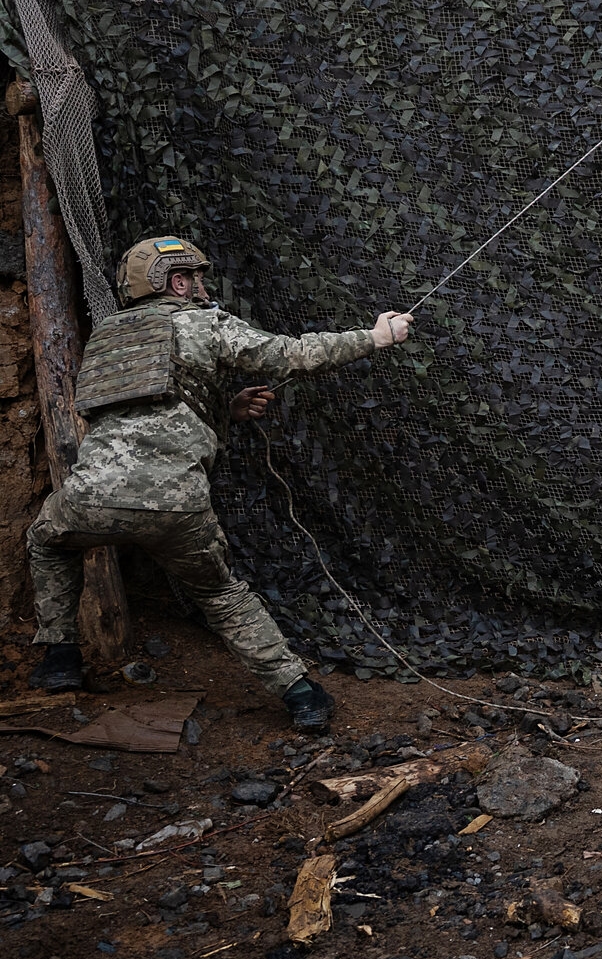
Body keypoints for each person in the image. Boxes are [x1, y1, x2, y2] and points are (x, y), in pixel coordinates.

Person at [25, 235, 414, 732]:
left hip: (90, 498)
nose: (204, 286)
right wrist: (374, 338)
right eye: (197, 277)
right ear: (178, 281)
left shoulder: (105, 337)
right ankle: (300, 694)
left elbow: (143, 413)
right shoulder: (202, 321)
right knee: (223, 595)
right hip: (177, 506)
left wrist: (225, 412)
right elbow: (287, 355)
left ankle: (59, 658)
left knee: (45, 539)